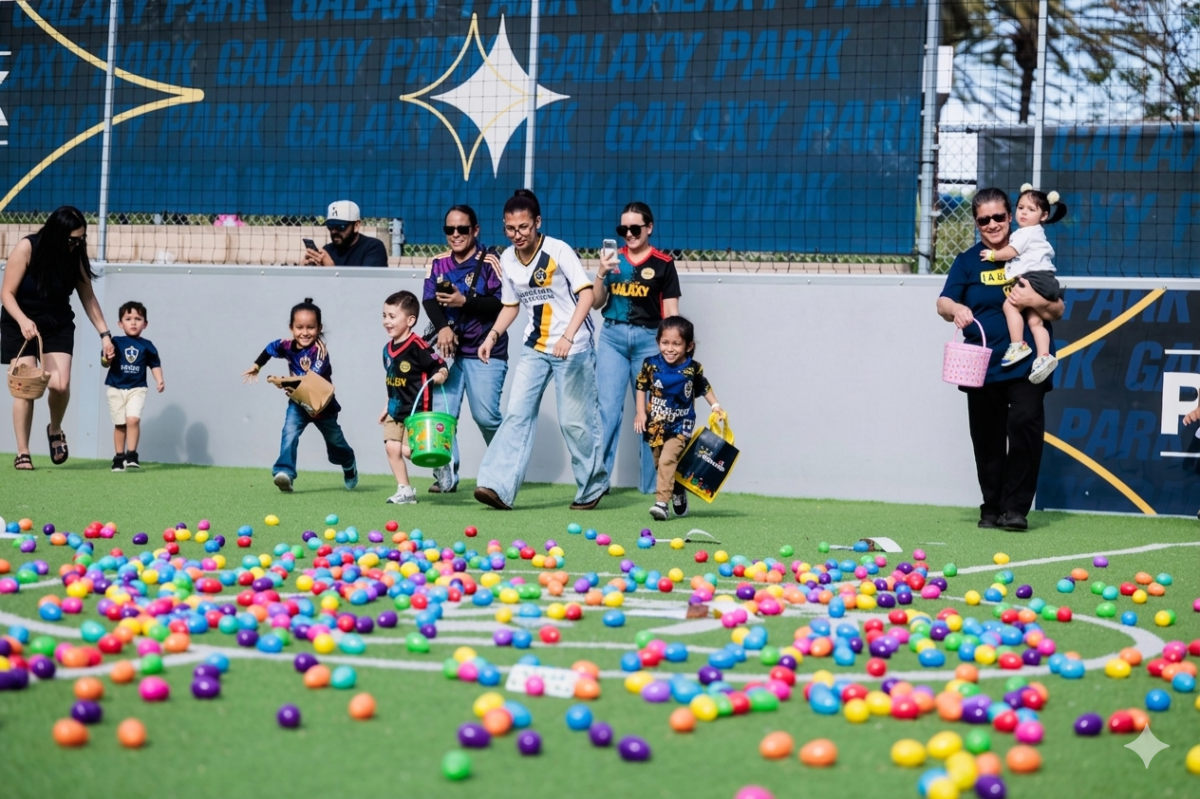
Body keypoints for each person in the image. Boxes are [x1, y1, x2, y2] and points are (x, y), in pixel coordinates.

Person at [937, 187, 1065, 532]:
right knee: (987, 438)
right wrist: (958, 308)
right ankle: (991, 506)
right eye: (984, 220)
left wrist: (1033, 300)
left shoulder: (1030, 250)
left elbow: (1057, 308)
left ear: (1010, 216)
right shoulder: (967, 261)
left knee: (1024, 426)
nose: (992, 224)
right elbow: (942, 304)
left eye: (998, 217)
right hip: (982, 364)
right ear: (976, 224)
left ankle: (1016, 509)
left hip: (1026, 365)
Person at [473, 189, 609, 511]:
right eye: (510, 228)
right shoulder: (506, 258)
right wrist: (492, 335)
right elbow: (511, 305)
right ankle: (497, 487)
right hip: (534, 348)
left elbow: (587, 296)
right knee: (517, 414)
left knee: (574, 423)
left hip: (572, 349)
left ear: (537, 222)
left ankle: (593, 486)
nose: (517, 235)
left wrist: (567, 336)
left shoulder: (558, 250)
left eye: (523, 227)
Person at [1, 206, 115, 470]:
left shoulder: (73, 256)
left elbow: (88, 297)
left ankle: (55, 429)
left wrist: (105, 335)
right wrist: (23, 320)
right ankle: (23, 452)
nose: (77, 244)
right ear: (56, 234)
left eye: (81, 239)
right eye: (72, 239)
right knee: (25, 386)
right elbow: (6, 293)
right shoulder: (27, 248)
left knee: (60, 385)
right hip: (20, 320)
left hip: (56, 323)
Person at [593, 201, 682, 496]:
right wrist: (601, 273)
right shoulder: (612, 259)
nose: (629, 234)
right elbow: (595, 302)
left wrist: (674, 358)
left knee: (652, 415)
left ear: (649, 228)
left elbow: (671, 314)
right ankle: (598, 482)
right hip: (612, 338)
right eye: (623, 229)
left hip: (648, 342)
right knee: (607, 411)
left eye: (635, 228)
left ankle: (651, 488)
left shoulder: (664, 264)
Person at [422, 204, 508, 494]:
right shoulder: (437, 262)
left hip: (485, 350)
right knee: (441, 415)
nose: (455, 234)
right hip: (448, 353)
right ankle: (447, 476)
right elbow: (429, 300)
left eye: (462, 229)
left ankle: (506, 466)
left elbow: (503, 303)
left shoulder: (491, 261)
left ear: (475, 230)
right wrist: (444, 328)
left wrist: (465, 302)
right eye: (450, 229)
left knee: (486, 417)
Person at [242, 298, 358, 493]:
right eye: (299, 327)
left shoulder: (320, 351)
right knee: (289, 433)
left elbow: (311, 380)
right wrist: (257, 365)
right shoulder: (286, 346)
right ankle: (285, 473)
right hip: (298, 404)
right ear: (291, 328)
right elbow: (270, 348)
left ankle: (348, 463)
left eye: (311, 327)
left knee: (336, 443)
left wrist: (284, 382)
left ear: (319, 328)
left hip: (322, 405)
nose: (305, 332)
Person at [634, 316, 723, 521]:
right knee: (660, 463)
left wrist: (715, 405)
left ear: (688, 345)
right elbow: (641, 386)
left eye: (676, 343)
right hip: (655, 424)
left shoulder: (693, 368)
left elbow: (703, 387)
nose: (670, 349)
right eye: (665, 343)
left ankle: (661, 504)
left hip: (681, 424)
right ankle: (677, 490)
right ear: (658, 342)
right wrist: (640, 413)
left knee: (668, 459)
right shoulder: (651, 364)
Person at [983, 184, 1067, 384]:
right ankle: (1044, 356)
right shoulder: (1036, 232)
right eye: (1021, 207)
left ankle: (1017, 344)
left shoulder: (1026, 233)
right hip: (1047, 279)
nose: (1024, 213)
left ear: (1044, 215)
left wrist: (993, 254)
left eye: (1031, 209)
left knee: (1009, 305)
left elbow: (1011, 252)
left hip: (1034, 278)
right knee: (1035, 322)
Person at [380, 290, 448, 505]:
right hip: (395, 410)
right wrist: (386, 405)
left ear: (410, 320)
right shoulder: (386, 350)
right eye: (384, 316)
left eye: (392, 316)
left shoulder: (419, 346)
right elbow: (392, 379)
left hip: (416, 411)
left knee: (417, 453)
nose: (386, 322)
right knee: (391, 447)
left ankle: (439, 463)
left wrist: (441, 374)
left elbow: (440, 364)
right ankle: (405, 490)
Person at [105, 301, 164, 471]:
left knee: (133, 419)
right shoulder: (115, 341)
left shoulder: (148, 345)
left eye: (138, 319)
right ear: (120, 323)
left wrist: (159, 379)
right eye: (128, 318)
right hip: (116, 387)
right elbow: (104, 361)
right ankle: (119, 457)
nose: (133, 322)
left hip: (137, 388)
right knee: (120, 423)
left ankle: (132, 454)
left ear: (145, 324)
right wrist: (106, 358)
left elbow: (155, 364)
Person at [303, 200, 388, 267]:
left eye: (341, 226)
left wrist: (331, 269)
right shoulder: (327, 250)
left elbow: (369, 285)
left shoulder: (373, 248)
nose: (334, 231)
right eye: (330, 226)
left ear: (356, 225)